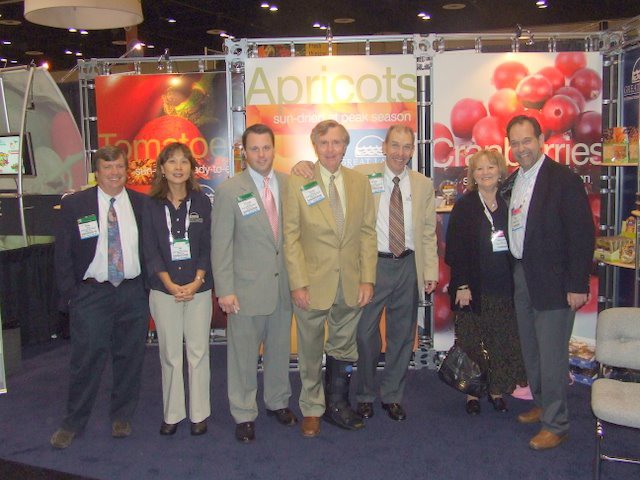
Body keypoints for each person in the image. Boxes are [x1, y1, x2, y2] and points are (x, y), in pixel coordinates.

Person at [292, 125, 438, 421]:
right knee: (365, 335)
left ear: (412, 150)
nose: (400, 153)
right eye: (394, 145)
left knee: (402, 336)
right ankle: (365, 395)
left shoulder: (423, 184)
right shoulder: (362, 175)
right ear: (383, 147)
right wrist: (302, 164)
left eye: (406, 147)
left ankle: (392, 395)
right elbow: (327, 167)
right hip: (372, 265)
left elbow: (427, 231)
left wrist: (430, 270)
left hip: (408, 265)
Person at [504, 115, 594, 450]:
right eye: (515, 143)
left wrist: (578, 283)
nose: (521, 148)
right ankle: (542, 404)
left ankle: (556, 424)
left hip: (555, 283)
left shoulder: (563, 179)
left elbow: (582, 234)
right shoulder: (515, 179)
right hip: (523, 274)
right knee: (532, 350)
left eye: (527, 141)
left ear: (541, 140)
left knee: (552, 356)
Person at [50, 146, 149, 449]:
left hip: (132, 292)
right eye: (107, 167)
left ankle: (122, 416)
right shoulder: (75, 204)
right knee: (86, 359)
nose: (114, 173)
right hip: (92, 293)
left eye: (119, 167)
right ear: (96, 172)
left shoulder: (142, 203)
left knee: (129, 358)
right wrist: (71, 295)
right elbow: (62, 254)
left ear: (126, 170)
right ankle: (73, 422)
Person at [283, 119, 377, 437]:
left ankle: (337, 404)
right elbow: (291, 237)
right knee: (310, 350)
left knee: (344, 347)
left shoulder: (359, 182)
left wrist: (367, 279)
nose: (330, 149)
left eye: (336, 142)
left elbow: (367, 234)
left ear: (346, 146)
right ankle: (312, 408)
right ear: (315, 146)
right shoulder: (299, 182)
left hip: (350, 282)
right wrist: (298, 283)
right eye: (323, 143)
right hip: (312, 284)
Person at [212, 124, 297, 443]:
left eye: (266, 148)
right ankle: (244, 412)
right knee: (243, 357)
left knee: (279, 350)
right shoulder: (229, 190)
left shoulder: (289, 185)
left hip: (282, 287)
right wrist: (225, 290)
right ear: (244, 153)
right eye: (255, 149)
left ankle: (277, 401)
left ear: (274, 149)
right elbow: (221, 244)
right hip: (245, 290)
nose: (261, 154)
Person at [444, 149, 527, 416]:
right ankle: (473, 392)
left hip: (505, 285)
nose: (485, 173)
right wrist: (461, 285)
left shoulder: (510, 203)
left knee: (501, 340)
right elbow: (455, 250)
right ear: (473, 175)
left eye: (491, 167)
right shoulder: (465, 206)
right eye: (479, 169)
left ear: (500, 171)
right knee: (472, 341)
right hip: (473, 287)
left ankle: (496, 390)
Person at [143, 142, 213, 436]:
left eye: (184, 161)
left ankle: (199, 414)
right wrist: (169, 284)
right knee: (170, 354)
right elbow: (149, 248)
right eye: (172, 161)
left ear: (191, 168)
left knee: (198, 352)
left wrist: (197, 280)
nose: (178, 167)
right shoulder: (150, 205)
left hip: (199, 288)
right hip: (164, 290)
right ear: (162, 168)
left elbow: (207, 245)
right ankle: (173, 413)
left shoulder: (201, 201)